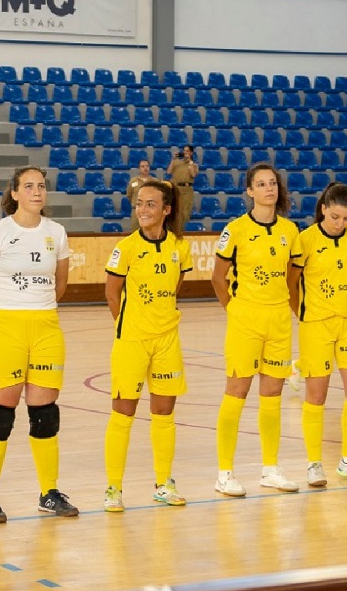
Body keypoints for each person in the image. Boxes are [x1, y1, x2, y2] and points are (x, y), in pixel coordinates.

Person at [0, 166, 77, 523]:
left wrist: (37, 308)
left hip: (46, 326)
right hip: (5, 327)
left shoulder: (56, 232)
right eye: (28, 186)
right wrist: (0, 319)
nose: (36, 191)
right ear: (14, 193)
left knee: (45, 414)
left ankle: (49, 492)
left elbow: (60, 283)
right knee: (1, 415)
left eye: (42, 186)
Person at [102, 178, 191, 512]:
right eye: (139, 203)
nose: (142, 210)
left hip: (168, 339)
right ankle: (113, 487)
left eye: (150, 204)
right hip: (132, 341)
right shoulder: (125, 248)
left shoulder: (178, 248)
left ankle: (163, 483)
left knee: (164, 413)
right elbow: (112, 293)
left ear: (166, 210)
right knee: (123, 414)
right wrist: (129, 325)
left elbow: (176, 283)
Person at [211, 162, 300, 497]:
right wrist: (235, 309)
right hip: (245, 319)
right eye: (261, 184)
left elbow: (293, 276)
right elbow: (218, 279)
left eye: (272, 183)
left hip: (278, 321)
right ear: (249, 191)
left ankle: (270, 469)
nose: (268, 189)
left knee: (272, 396)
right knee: (236, 393)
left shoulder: (290, 231)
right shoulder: (235, 229)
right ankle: (225, 472)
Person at [288, 182, 347, 487]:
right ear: (324, 209)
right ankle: (314, 464)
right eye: (336, 216)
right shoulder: (306, 240)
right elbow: (292, 280)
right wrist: (300, 312)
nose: (341, 223)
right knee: (316, 396)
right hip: (316, 324)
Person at [167, 145, 198, 223]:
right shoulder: (177, 162)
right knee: (174, 210)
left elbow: (193, 174)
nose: (185, 153)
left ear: (191, 153)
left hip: (186, 190)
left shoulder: (193, 165)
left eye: (187, 151)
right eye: (184, 151)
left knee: (184, 212)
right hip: (176, 188)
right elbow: (169, 171)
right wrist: (173, 159)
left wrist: (190, 162)